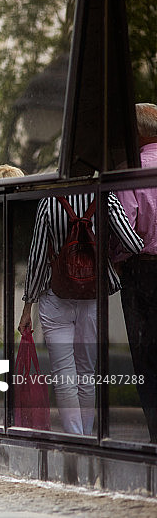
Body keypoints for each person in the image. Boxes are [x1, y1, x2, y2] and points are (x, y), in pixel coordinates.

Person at [19, 193, 142, 435]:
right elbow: (132, 244)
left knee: (64, 374)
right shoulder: (105, 198)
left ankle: (75, 438)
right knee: (87, 372)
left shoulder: (49, 201)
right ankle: (87, 436)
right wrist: (107, 255)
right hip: (93, 296)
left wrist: (27, 307)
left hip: (56, 296)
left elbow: (37, 257)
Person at [115, 103, 157, 442]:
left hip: (142, 272)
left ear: (138, 133)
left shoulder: (130, 172)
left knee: (146, 357)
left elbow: (125, 233)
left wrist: (112, 260)